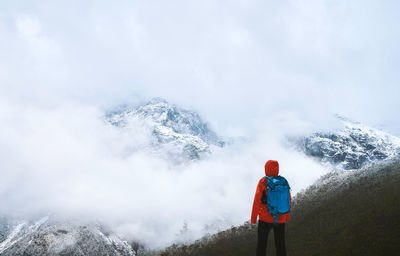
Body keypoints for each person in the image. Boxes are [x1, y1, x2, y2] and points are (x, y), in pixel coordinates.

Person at [251, 160, 291, 256]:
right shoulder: (283, 181)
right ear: (277, 168)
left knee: (262, 244)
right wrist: (286, 216)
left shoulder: (263, 181)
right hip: (280, 217)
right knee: (280, 244)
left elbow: (257, 200)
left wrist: (253, 218)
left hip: (265, 218)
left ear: (266, 168)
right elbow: (288, 200)